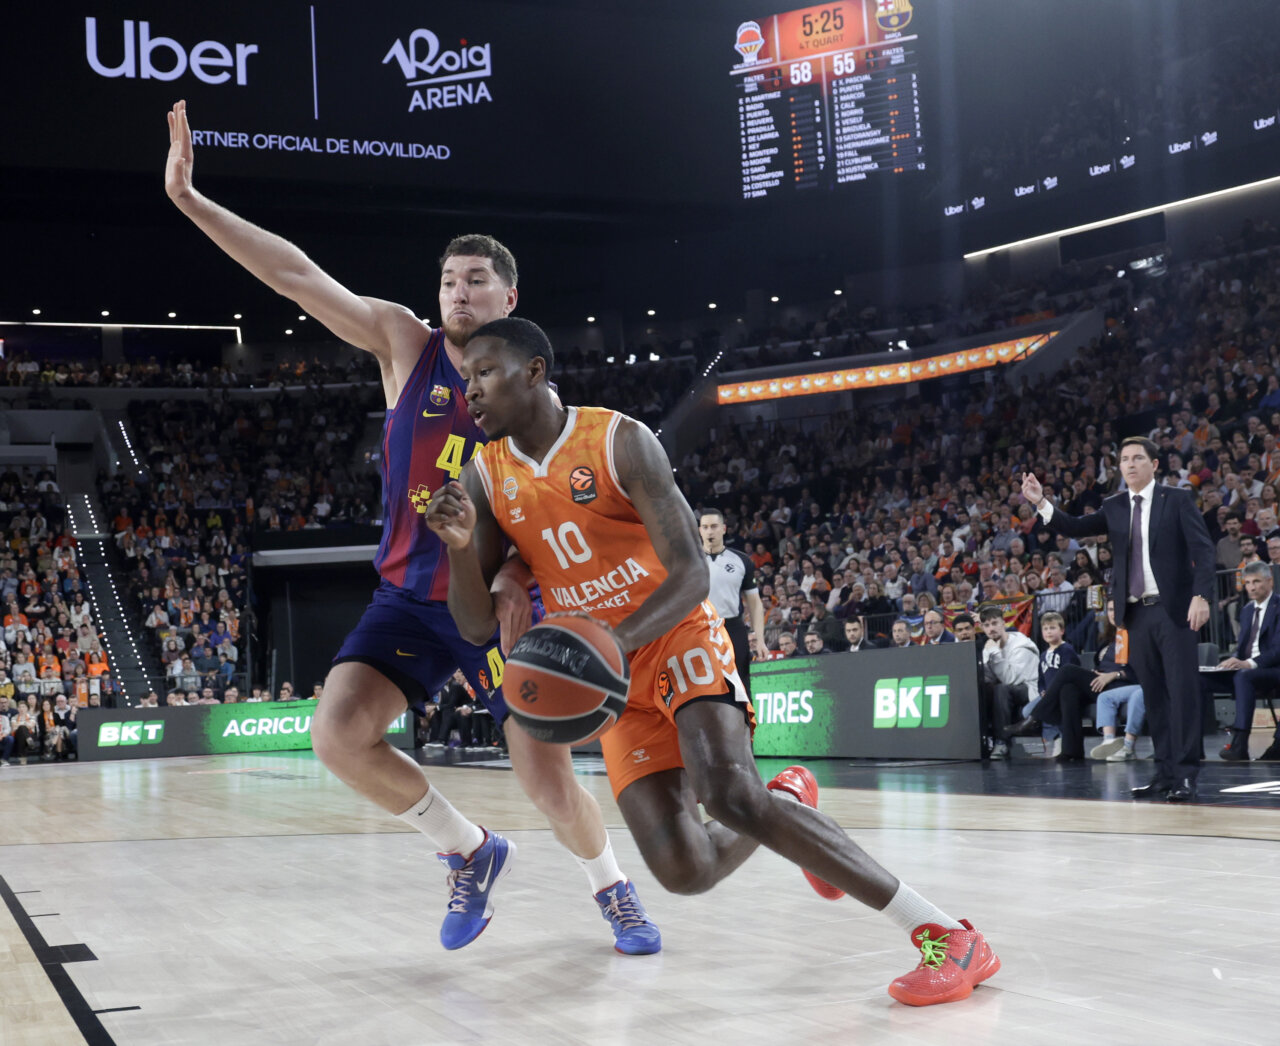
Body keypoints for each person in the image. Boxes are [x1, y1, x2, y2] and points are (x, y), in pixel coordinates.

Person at [163, 100, 658, 953]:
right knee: (338, 733)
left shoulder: (535, 399)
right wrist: (192, 200)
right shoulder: (404, 343)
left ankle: (612, 889)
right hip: (406, 596)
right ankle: (468, 851)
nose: (458, 294)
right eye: (448, 281)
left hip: (501, 609)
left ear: (510, 296)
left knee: (546, 781)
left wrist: (515, 578)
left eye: (475, 281)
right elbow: (297, 276)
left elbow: (553, 507)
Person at [427, 316, 998, 1007]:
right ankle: (785, 800)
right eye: (466, 379)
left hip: (672, 633)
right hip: (609, 678)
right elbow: (475, 625)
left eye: (484, 374)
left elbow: (693, 575)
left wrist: (612, 643)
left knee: (727, 792)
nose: (471, 391)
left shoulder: (619, 441)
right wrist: (462, 548)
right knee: (685, 870)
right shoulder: (483, 476)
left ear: (535, 372)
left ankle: (944, 933)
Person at [1024, 437, 1215, 801]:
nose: (1129, 465)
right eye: (1124, 459)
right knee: (1155, 696)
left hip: (1174, 611)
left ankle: (1187, 775)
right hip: (1136, 615)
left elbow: (1203, 551)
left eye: (1137, 458)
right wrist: (1041, 503)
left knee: (1183, 694)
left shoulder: (1176, 500)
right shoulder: (1113, 506)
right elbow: (1075, 525)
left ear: (1154, 464)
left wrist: (1201, 596)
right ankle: (1164, 774)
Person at [1216, 560, 1280, 762]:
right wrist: (1232, 659)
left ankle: (1239, 743)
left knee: (1244, 676)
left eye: (1257, 581)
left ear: (1270, 581)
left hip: (1272, 669)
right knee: (1201, 679)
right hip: (1248, 670)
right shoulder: (1245, 611)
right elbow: (1243, 646)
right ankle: (1192, 749)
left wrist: (1249, 663)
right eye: (1248, 582)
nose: (1251, 587)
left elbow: (1278, 650)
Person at [699, 509, 766, 699]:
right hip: (699, 628)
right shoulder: (690, 561)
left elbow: (754, 603)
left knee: (741, 688)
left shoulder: (742, 561)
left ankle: (747, 727)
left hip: (732, 627)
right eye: (705, 527)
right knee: (702, 688)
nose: (709, 531)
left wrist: (760, 639)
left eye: (714, 526)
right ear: (699, 531)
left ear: (723, 529)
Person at [979, 605, 1039, 760]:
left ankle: (1001, 741)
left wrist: (993, 653)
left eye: (994, 623)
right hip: (1010, 688)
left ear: (1003, 623)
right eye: (986, 625)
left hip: (1030, 689)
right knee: (982, 688)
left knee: (1001, 689)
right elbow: (990, 677)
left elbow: (1012, 679)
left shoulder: (1021, 646)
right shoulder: (990, 646)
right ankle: (980, 739)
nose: (991, 629)